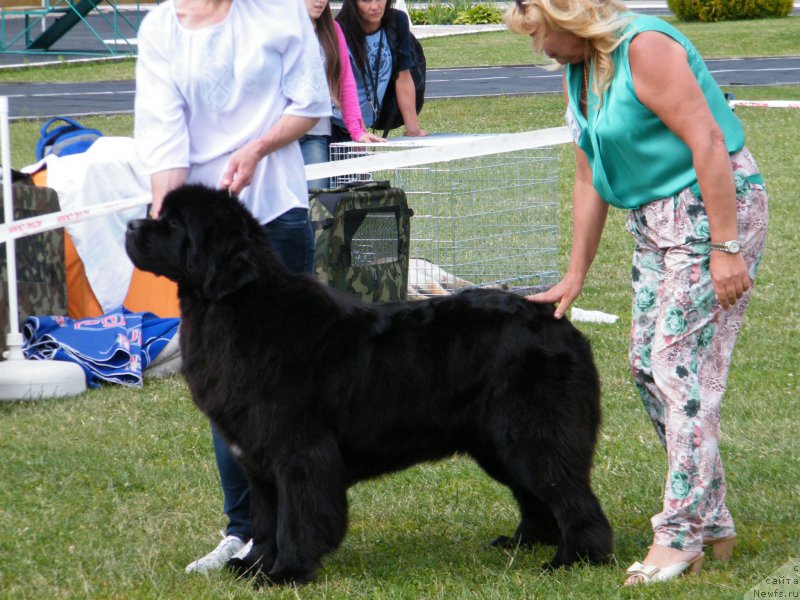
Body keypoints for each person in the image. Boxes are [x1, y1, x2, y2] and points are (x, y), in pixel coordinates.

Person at [506, 0, 768, 586]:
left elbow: (706, 141)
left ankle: (678, 537)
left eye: (541, 33)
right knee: (647, 369)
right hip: (654, 219)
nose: (540, 49)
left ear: (570, 18)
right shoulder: (580, 72)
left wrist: (725, 247)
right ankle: (714, 520)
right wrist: (575, 274)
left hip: (710, 209)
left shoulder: (646, 46)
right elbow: (586, 174)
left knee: (680, 371)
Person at [133, 0, 331, 574]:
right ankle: (244, 531)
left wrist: (255, 149)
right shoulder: (161, 28)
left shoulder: (278, 12)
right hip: (206, 239)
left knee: (291, 388)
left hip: (276, 208)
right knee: (226, 383)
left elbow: (310, 103)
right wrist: (161, 234)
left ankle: (294, 526)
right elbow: (164, 144)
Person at [301, 0, 384, 190]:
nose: (321, 1)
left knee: (316, 204)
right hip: (277, 136)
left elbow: (345, 82)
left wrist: (357, 131)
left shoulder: (332, 30)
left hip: (315, 134)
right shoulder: (277, 29)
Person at [334, 0, 427, 138]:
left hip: (363, 127)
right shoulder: (338, 30)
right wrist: (357, 130)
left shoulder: (397, 22)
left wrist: (413, 129)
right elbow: (340, 86)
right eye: (366, 0)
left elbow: (403, 78)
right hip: (335, 124)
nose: (375, 6)